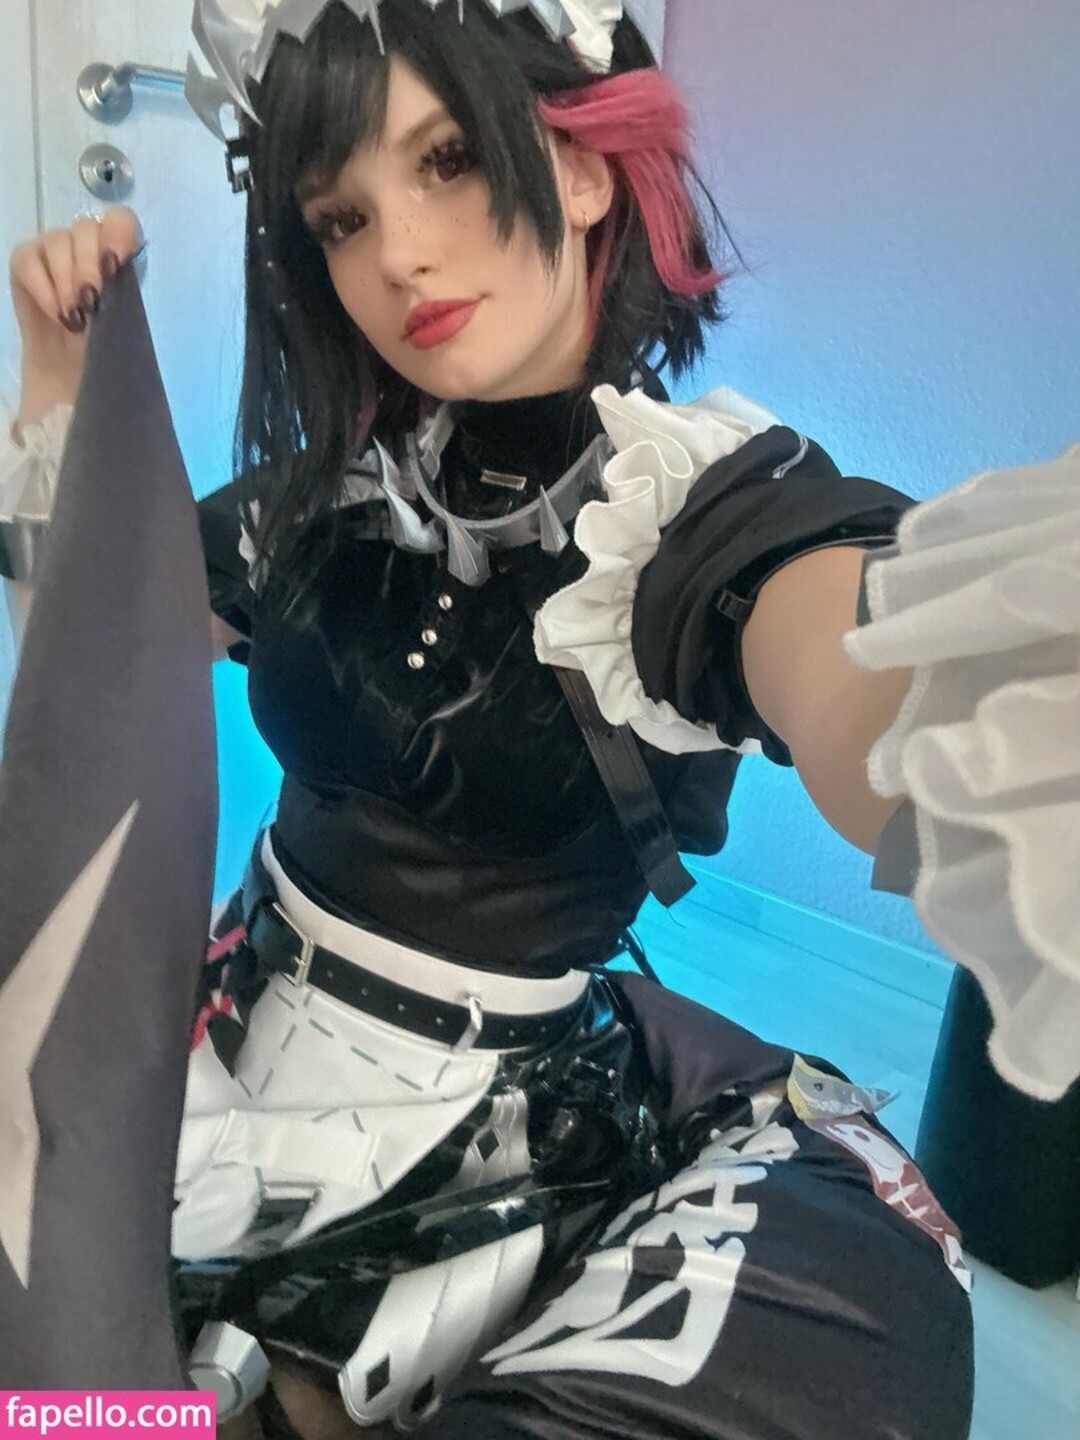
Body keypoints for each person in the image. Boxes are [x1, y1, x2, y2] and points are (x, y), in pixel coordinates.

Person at [2, 1, 977, 1436]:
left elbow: (846, 659)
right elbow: (98, 663)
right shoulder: (334, 490)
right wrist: (65, 387)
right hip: (225, 1005)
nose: (397, 253)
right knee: (64, 1365)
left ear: (581, 169)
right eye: (341, 217)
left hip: (476, 1125)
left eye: (449, 159)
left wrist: (967, 709)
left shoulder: (693, 511)